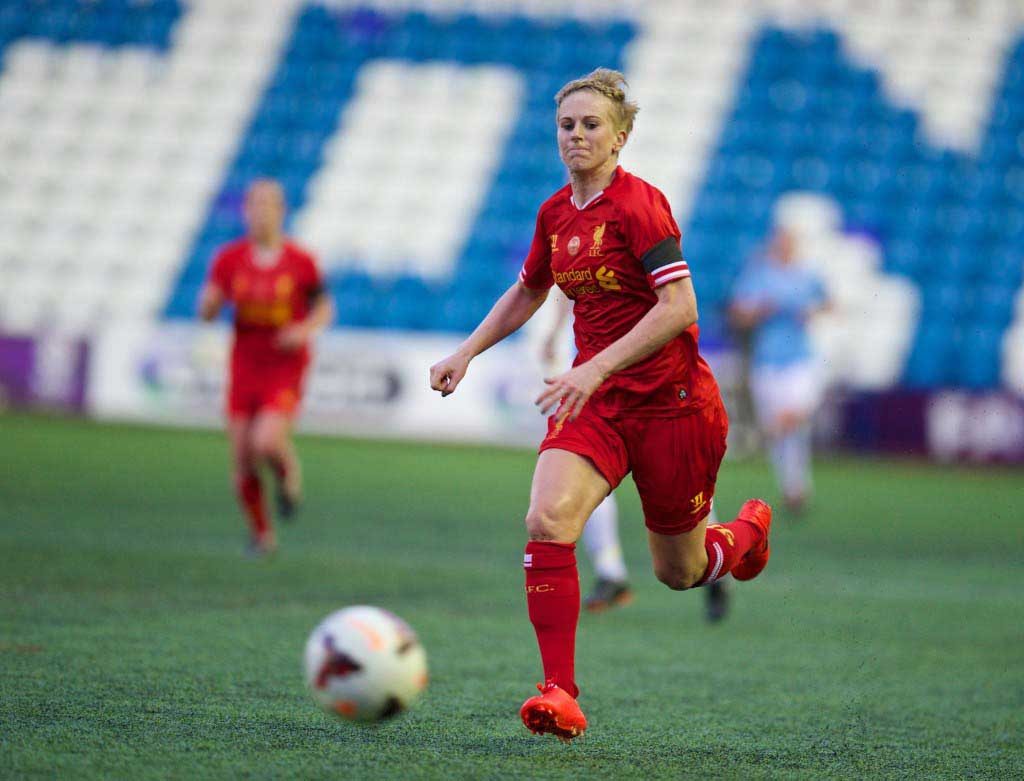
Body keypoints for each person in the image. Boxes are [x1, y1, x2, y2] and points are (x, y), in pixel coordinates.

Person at [429, 69, 771, 741]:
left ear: (619, 137)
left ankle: (747, 535)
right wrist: (467, 351)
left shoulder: (643, 206)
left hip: (675, 406)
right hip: (597, 403)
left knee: (681, 571)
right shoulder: (555, 214)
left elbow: (681, 307)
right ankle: (559, 691)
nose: (577, 135)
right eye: (566, 125)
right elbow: (529, 290)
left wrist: (597, 364)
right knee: (547, 517)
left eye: (591, 125)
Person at [537, 289, 731, 621]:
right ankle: (610, 571)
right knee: (581, 476)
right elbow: (567, 281)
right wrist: (555, 331)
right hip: (596, 381)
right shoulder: (579, 245)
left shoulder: (648, 245)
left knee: (681, 527)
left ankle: (719, 557)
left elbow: (676, 302)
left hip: (654, 388)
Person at [198, 179, 333, 556]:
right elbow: (208, 306)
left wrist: (302, 329)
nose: (261, 212)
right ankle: (262, 535)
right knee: (242, 456)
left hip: (284, 364)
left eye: (269, 204)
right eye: (254, 204)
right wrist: (208, 307)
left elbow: (324, 308)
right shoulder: (229, 259)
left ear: (282, 211)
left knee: (267, 441)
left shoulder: (301, 261)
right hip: (245, 363)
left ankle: (288, 475)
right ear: (245, 211)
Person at [729, 226, 828, 515]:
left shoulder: (807, 274)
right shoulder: (759, 273)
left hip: (799, 357)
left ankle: (757, 439)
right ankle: (793, 487)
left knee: (790, 416)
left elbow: (828, 302)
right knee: (786, 433)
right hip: (767, 359)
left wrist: (811, 311)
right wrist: (761, 311)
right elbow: (738, 313)